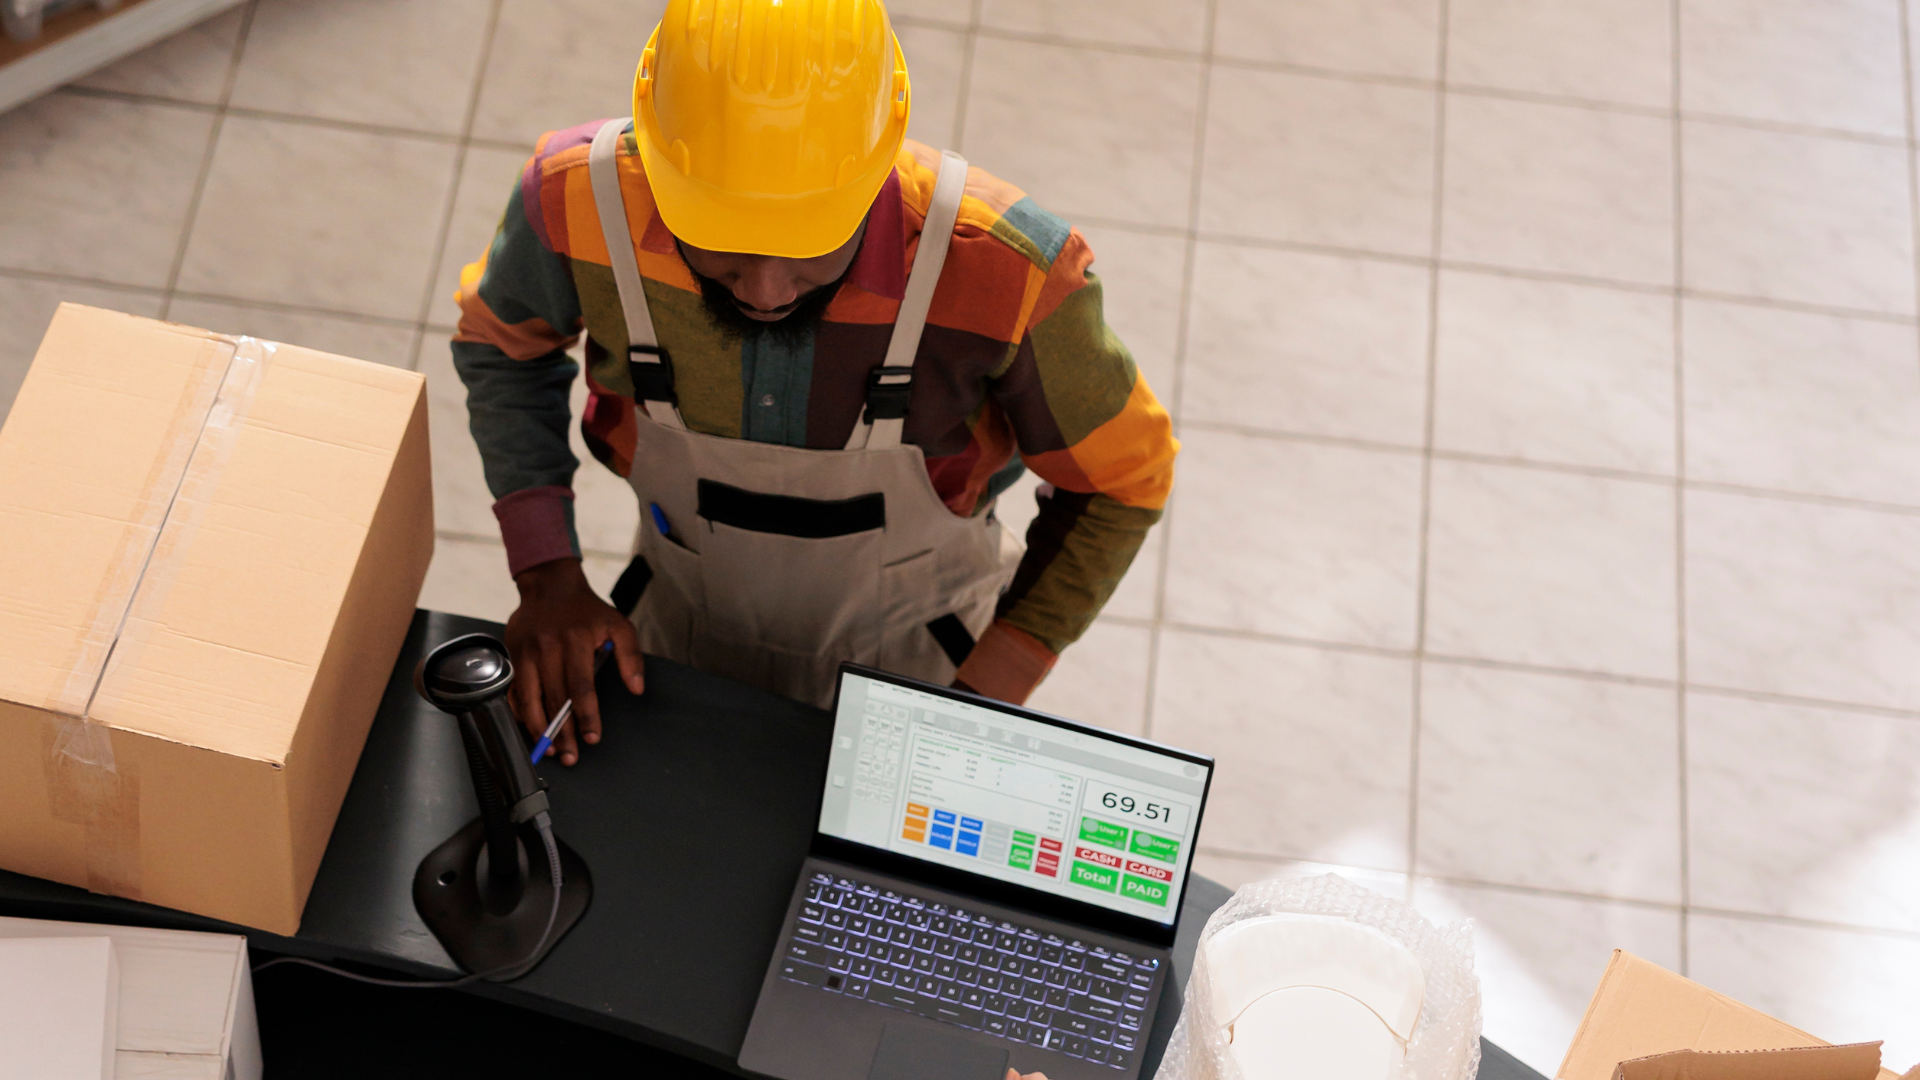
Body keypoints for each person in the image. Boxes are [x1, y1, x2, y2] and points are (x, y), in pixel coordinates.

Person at [452, 0, 1178, 764]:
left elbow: (1123, 482)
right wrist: (547, 573)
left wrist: (989, 689)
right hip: (676, 624)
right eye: (722, 242)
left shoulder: (1010, 272)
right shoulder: (577, 202)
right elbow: (503, 347)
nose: (765, 291)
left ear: (877, 167)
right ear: (659, 166)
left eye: (810, 244)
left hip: (923, 658)